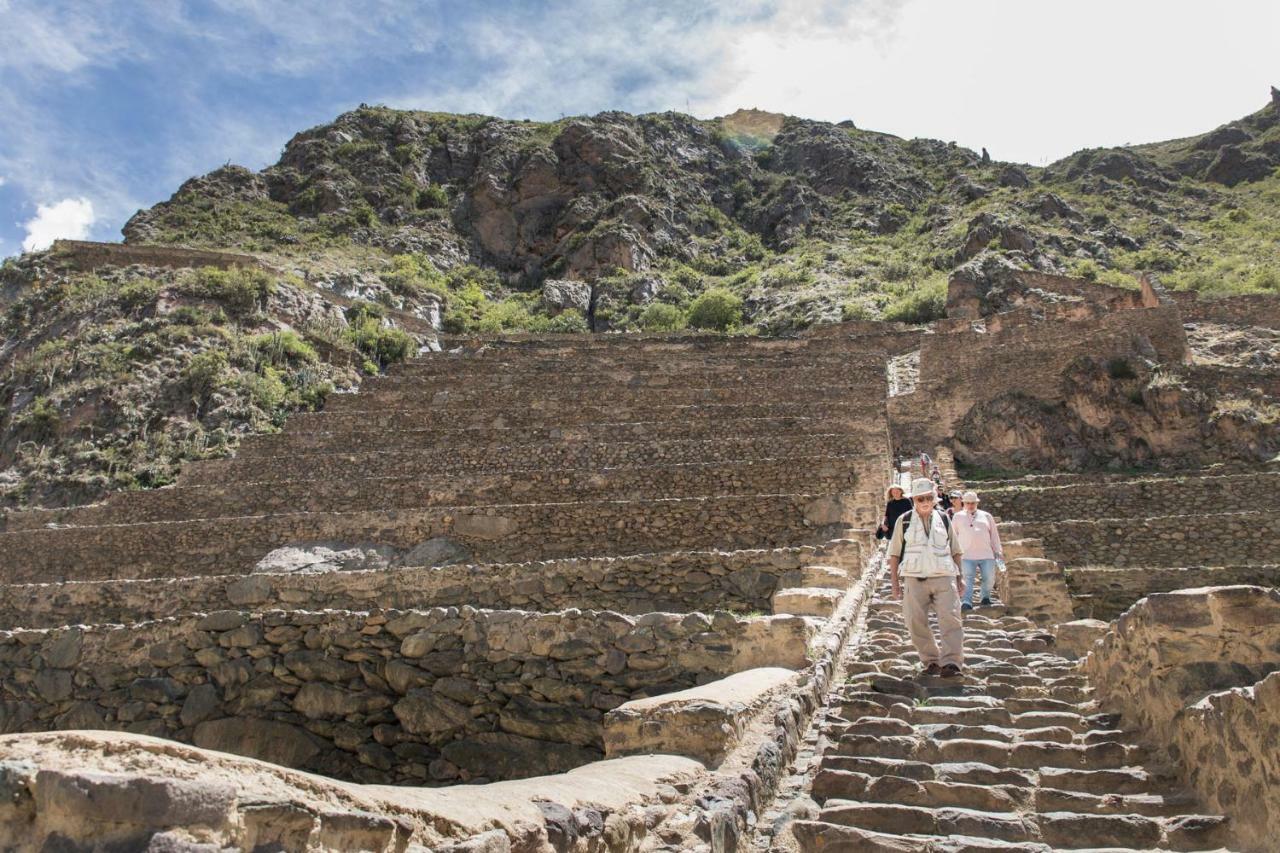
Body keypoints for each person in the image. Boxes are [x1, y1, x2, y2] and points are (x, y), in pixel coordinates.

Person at [888, 478, 965, 677]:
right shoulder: (903, 521)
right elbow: (894, 553)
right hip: (915, 578)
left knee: (951, 618)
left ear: (934, 498)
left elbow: (956, 550)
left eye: (928, 497)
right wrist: (895, 584)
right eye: (920, 498)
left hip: (944, 576)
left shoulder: (944, 519)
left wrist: (961, 576)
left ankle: (951, 663)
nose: (924, 502)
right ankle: (931, 660)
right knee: (915, 621)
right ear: (914, 499)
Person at [953, 490, 1004, 610]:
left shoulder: (986, 516)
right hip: (966, 555)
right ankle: (966, 601)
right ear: (963, 503)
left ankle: (985, 596)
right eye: (968, 503)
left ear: (977, 503)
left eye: (973, 503)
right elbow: (953, 536)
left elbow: (994, 535)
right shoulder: (957, 517)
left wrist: (998, 551)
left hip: (986, 554)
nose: (970, 505)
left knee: (989, 578)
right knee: (967, 578)